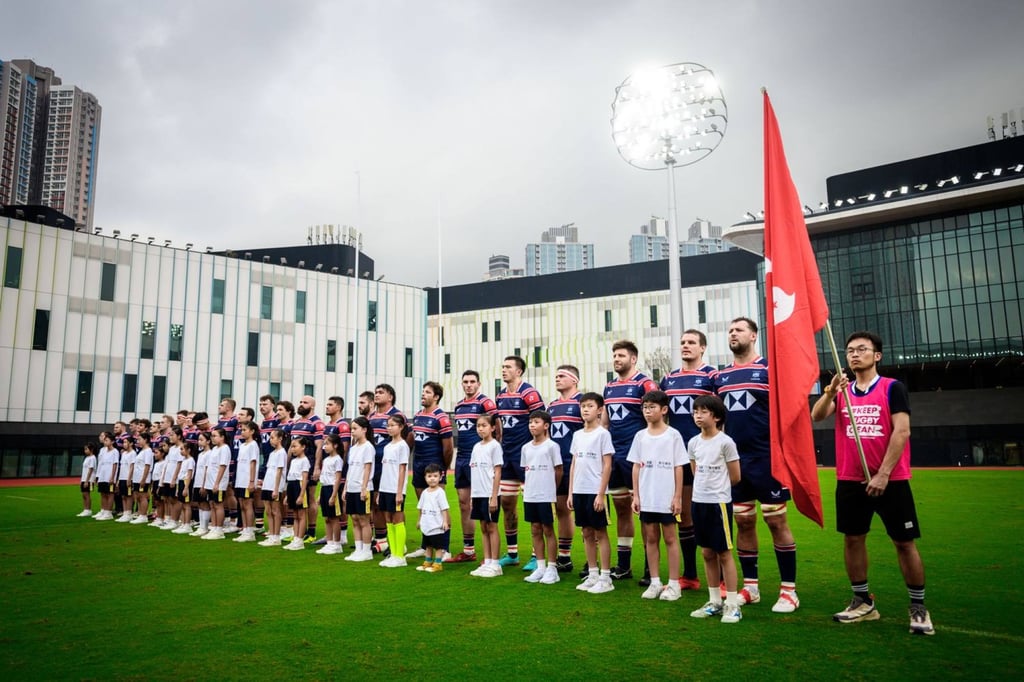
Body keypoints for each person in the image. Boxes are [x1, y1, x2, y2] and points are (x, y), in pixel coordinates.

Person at [811, 331, 934, 635]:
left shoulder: (893, 388)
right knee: (853, 539)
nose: (854, 354)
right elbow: (817, 416)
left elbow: (902, 431)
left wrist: (883, 474)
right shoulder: (843, 391)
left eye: (861, 349)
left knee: (904, 543)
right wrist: (829, 392)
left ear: (877, 355)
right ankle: (862, 601)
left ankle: (918, 606)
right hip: (850, 478)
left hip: (891, 480)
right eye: (850, 350)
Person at [713, 317, 800, 613]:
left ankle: (789, 591)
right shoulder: (721, 377)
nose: (732, 334)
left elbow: (788, 410)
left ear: (753, 335)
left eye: (738, 330)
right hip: (736, 462)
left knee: (776, 520)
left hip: (767, 459)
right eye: (729, 331)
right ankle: (751, 586)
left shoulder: (769, 370)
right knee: (744, 521)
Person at [660, 329, 716, 591]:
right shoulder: (668, 380)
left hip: (705, 455)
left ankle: (722, 577)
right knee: (684, 514)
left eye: (691, 342)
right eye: (682, 342)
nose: (686, 346)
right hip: (677, 457)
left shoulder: (712, 376)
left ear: (702, 348)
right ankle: (690, 575)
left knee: (712, 514)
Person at [603, 340, 659, 582]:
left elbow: (654, 417)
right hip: (616, 458)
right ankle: (624, 566)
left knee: (644, 512)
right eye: (614, 355)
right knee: (622, 510)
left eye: (621, 355)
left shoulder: (644, 384)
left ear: (633, 359)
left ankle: (650, 567)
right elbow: (605, 423)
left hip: (638, 458)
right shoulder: (609, 387)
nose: (616, 359)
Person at [687, 395, 743, 624]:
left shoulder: (725, 442)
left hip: (718, 503)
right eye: (695, 411)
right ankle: (714, 602)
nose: (698, 415)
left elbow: (736, 476)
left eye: (703, 412)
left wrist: (717, 489)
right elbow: (694, 471)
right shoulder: (693, 442)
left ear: (716, 416)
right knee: (706, 552)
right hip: (698, 501)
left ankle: (732, 604)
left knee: (724, 553)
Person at [628, 390, 686, 601]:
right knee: (650, 538)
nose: (647, 411)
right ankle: (654, 582)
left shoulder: (673, 435)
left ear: (664, 409)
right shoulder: (640, 436)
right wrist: (636, 495)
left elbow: (679, 467)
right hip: (647, 496)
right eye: (645, 407)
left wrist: (677, 496)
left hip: (666, 496)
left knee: (670, 538)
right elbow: (636, 466)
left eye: (652, 407)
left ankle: (673, 584)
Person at [495, 355, 545, 567]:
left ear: (519, 371)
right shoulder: (500, 395)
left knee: (533, 502)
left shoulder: (529, 393)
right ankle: (513, 553)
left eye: (508, 367)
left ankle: (537, 555)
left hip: (527, 456)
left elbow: (542, 420)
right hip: (507, 456)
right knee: (507, 503)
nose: (504, 370)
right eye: (503, 366)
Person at [446, 370, 499, 564]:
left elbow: (496, 427)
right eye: (465, 382)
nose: (468, 385)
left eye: (472, 382)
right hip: (462, 458)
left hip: (480, 458)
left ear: (479, 384)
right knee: (463, 503)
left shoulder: (485, 403)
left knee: (483, 503)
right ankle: (469, 550)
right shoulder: (459, 406)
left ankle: (491, 553)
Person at [568, 393, 615, 594]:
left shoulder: (603, 434)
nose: (585, 409)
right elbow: (574, 464)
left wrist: (601, 494)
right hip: (579, 490)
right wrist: (571, 492)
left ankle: (606, 578)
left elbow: (607, 465)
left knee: (600, 532)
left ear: (600, 410)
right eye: (583, 406)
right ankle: (593, 573)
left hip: (595, 490)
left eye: (590, 406)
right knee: (586, 532)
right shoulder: (577, 435)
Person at [406, 382, 453, 560]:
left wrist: (443, 469)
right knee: (425, 509)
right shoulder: (418, 416)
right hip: (418, 467)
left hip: (434, 468)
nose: (423, 394)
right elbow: (412, 440)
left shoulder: (441, 417)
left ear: (436, 397)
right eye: (423, 391)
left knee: (439, 508)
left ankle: (445, 548)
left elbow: (448, 447)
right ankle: (426, 546)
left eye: (427, 392)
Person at [543, 365, 583, 574]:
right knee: (560, 509)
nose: (557, 379)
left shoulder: (582, 402)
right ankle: (564, 557)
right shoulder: (551, 406)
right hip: (556, 466)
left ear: (574, 379)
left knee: (584, 511)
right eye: (556, 376)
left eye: (561, 376)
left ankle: (592, 561)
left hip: (577, 465)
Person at [520, 410, 563, 585]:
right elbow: (526, 470)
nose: (532, 425)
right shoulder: (526, 447)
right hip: (530, 495)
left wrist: (551, 489)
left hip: (546, 495)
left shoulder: (552, 446)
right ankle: (540, 567)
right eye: (530, 422)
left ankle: (552, 568)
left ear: (546, 426)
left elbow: (558, 470)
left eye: (536, 422)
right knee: (535, 530)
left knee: (548, 529)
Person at [369, 384, 405, 557]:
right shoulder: (371, 417)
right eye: (376, 392)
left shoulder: (397, 416)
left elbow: (406, 439)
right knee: (376, 503)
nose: (377, 395)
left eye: (381, 392)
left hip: (390, 467)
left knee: (396, 509)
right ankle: (381, 540)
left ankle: (399, 545)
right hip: (374, 465)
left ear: (390, 397)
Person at [468, 414, 504, 578]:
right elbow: (474, 470)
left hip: (490, 493)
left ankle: (496, 564)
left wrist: (494, 496)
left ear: (492, 428)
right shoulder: (476, 447)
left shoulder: (495, 446)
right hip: (478, 494)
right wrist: (471, 497)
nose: (480, 428)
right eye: (478, 425)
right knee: (483, 527)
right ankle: (487, 561)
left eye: (484, 425)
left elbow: (497, 471)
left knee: (492, 526)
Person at [291, 395, 325, 543]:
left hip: (308, 466)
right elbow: (291, 446)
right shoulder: (296, 422)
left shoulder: (317, 423)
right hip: (294, 467)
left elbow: (319, 447)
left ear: (312, 406)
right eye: (300, 401)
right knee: (295, 498)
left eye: (305, 402)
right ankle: (298, 531)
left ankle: (311, 532)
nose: (301, 404)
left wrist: (317, 467)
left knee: (309, 498)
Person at [378, 414, 411, 567]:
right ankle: (393, 553)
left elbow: (402, 470)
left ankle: (400, 556)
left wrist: (399, 492)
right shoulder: (387, 446)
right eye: (388, 425)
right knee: (388, 522)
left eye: (392, 425)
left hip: (395, 489)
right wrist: (379, 492)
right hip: (385, 489)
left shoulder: (402, 446)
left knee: (397, 520)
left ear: (401, 427)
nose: (389, 428)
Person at [343, 417, 375, 561]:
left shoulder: (368, 447)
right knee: (354, 519)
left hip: (363, 488)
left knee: (364, 520)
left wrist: (364, 488)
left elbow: (367, 469)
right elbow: (350, 469)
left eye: (355, 429)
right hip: (351, 488)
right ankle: (358, 549)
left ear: (364, 430)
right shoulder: (353, 448)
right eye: (352, 429)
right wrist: (345, 488)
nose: (353, 432)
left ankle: (367, 551)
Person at [323, 395, 351, 547]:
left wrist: (341, 467)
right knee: (329, 508)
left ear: (339, 407)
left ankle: (342, 535)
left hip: (338, 470)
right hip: (328, 470)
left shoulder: (343, 425)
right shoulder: (327, 425)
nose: (327, 406)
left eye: (330, 404)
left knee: (339, 504)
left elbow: (344, 449)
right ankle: (332, 538)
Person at [416, 463, 451, 573]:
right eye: (429, 476)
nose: (432, 479)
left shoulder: (440, 493)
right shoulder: (425, 493)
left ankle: (438, 563)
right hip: (426, 524)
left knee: (438, 546)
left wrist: (445, 521)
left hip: (436, 525)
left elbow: (444, 508)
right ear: (425, 477)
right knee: (428, 545)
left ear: (440, 477)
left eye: (435, 476)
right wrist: (419, 520)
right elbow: (420, 508)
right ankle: (428, 562)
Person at [258, 428, 288, 547]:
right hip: (267, 484)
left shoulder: (282, 453)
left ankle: (276, 536)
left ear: (280, 439)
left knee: (275, 510)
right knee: (269, 511)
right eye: (270, 437)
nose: (270, 440)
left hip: (275, 486)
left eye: (272, 437)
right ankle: (271, 534)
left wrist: (276, 488)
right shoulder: (272, 453)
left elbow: (279, 471)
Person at [315, 433, 344, 555]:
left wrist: (333, 495)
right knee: (327, 518)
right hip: (325, 488)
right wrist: (321, 495)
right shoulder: (326, 460)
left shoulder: (338, 459)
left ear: (335, 445)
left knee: (334, 518)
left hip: (333, 489)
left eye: (327, 444)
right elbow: (324, 477)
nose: (324, 447)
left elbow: (337, 478)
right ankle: (329, 542)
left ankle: (337, 544)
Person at [200, 428, 231, 540]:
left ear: (222, 437)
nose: (213, 438)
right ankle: (213, 527)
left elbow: (222, 466)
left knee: (218, 505)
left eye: (215, 436)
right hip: (210, 482)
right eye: (212, 436)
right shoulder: (214, 449)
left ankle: (219, 529)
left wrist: (217, 483)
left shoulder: (225, 449)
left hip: (218, 483)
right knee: (212, 505)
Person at [233, 421, 260, 542]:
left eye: (244, 430)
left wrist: (251, 481)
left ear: (252, 431)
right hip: (240, 480)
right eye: (241, 430)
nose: (242, 432)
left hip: (247, 480)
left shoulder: (253, 445)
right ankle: (244, 529)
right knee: (242, 504)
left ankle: (250, 531)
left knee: (248, 504)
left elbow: (253, 463)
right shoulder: (242, 445)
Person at [283, 436, 312, 551]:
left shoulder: (305, 461)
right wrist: (288, 496)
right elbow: (290, 477)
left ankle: (300, 540)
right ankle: (295, 538)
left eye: (295, 446)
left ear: (303, 447)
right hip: (292, 485)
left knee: (301, 514)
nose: (293, 449)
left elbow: (305, 479)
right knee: (295, 515)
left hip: (299, 486)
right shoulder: (294, 461)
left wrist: (301, 495)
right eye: (291, 447)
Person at [159, 428, 184, 529]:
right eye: (169, 435)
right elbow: (167, 463)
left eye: (172, 435)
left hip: (175, 478)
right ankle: (170, 519)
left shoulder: (181, 448)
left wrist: (174, 478)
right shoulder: (172, 448)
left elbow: (179, 464)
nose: (170, 437)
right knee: (169, 499)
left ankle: (175, 520)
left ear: (179, 436)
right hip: (167, 478)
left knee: (175, 500)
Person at [189, 432, 213, 536]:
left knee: (204, 504)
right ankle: (201, 526)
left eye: (202, 440)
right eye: (198, 440)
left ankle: (205, 527)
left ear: (208, 441)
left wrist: (203, 485)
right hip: (197, 481)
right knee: (199, 504)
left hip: (204, 482)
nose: (199, 442)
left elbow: (207, 470)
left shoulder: (210, 453)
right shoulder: (200, 454)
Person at [171, 442, 196, 533]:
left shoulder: (190, 460)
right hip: (181, 481)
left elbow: (189, 475)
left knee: (187, 505)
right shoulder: (184, 460)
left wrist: (186, 488)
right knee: (182, 504)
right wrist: (178, 488)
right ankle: (183, 523)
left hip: (186, 482)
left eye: (182, 449)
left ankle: (187, 525)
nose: (180, 451)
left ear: (188, 450)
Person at [94, 431, 118, 521]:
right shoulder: (103, 451)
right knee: (103, 493)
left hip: (109, 476)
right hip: (102, 476)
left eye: (107, 440)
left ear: (112, 442)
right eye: (104, 440)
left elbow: (115, 464)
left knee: (110, 494)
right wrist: (98, 476)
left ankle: (109, 512)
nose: (105, 442)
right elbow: (100, 464)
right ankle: (103, 510)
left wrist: (112, 477)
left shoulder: (115, 451)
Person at [130, 433, 154, 524]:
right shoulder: (141, 451)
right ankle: (140, 514)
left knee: (143, 496)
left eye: (139, 439)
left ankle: (143, 515)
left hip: (142, 477)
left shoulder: (148, 451)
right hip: (137, 477)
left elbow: (147, 466)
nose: (137, 441)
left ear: (146, 440)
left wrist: (143, 479)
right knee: (138, 496)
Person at [78, 442, 98, 517]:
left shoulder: (93, 458)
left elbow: (90, 470)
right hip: (84, 478)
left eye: (86, 449)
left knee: (87, 494)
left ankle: (88, 510)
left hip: (89, 479)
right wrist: (82, 480)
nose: (85, 451)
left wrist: (87, 480)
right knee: (83, 494)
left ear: (91, 449)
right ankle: (85, 509)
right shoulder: (87, 458)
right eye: (84, 449)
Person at [149, 443, 167, 527]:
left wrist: (160, 485)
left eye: (156, 453)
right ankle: (158, 517)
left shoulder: (164, 463)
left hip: (160, 483)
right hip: (155, 482)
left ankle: (162, 518)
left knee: (161, 501)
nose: (154, 455)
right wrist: (152, 485)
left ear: (162, 454)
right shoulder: (156, 464)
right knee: (156, 501)